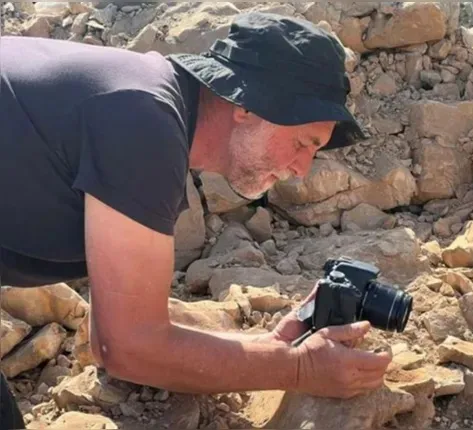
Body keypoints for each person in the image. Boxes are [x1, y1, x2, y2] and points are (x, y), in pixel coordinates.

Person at [0, 11, 392, 429]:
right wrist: (297, 369)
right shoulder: (143, 122)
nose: (302, 169)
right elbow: (126, 348)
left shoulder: (149, 108)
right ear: (246, 105)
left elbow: (115, 333)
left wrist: (268, 348)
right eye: (303, 143)